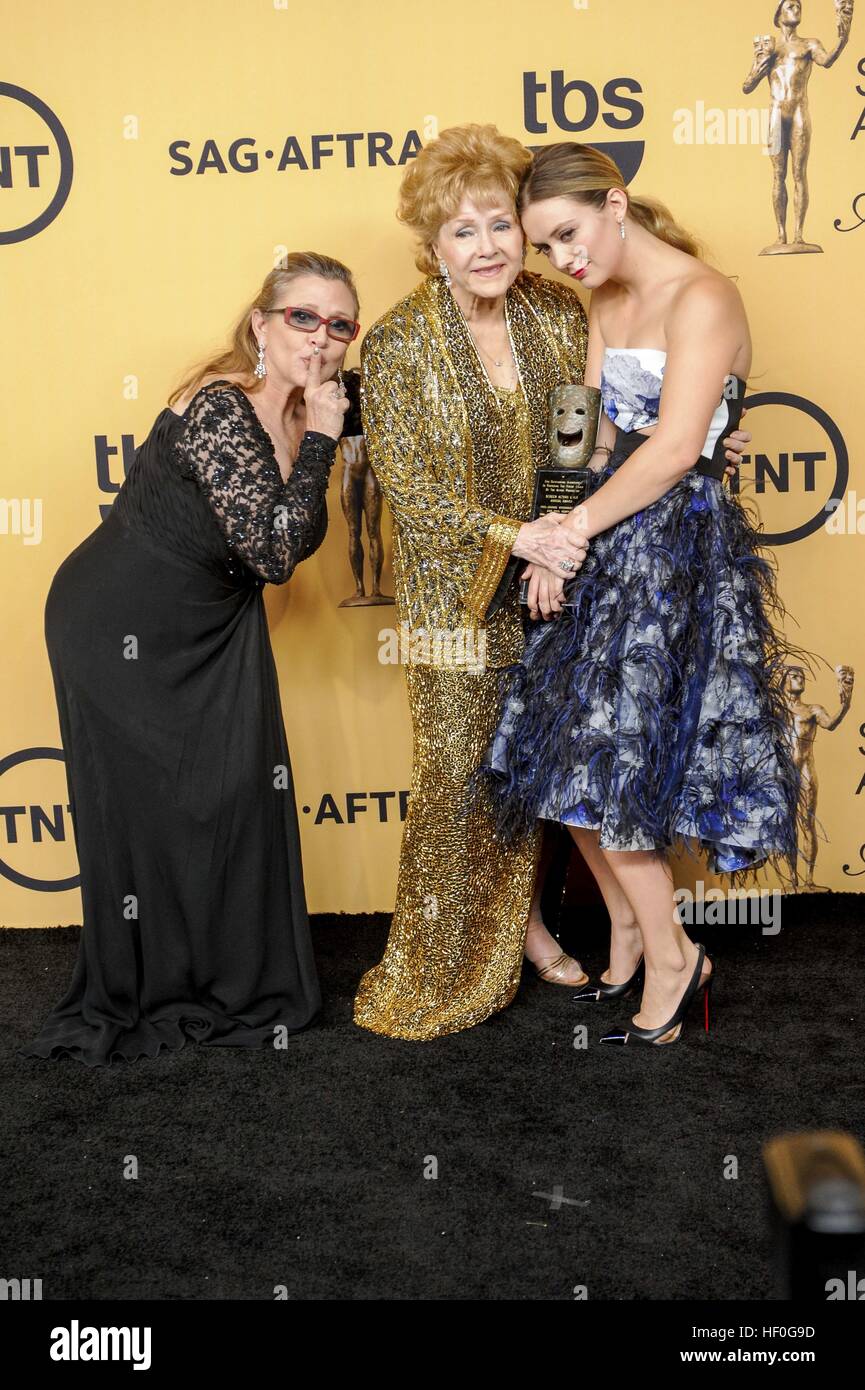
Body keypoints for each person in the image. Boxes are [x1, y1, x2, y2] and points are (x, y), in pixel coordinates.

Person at [352, 125, 752, 1041]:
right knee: (467, 773)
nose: (491, 247)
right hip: (464, 585)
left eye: (504, 226)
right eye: (464, 231)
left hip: (578, 562)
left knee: (562, 757)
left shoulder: (561, 305)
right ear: (431, 245)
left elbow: (599, 431)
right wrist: (534, 536)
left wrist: (568, 534)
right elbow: (413, 488)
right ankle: (497, 945)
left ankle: (631, 929)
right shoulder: (400, 342)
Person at [475, 142, 808, 1047]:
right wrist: (547, 539)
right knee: (558, 753)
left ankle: (673, 958)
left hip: (669, 550)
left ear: (615, 204)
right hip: (597, 538)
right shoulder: (604, 297)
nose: (565, 260)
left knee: (613, 764)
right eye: (546, 249)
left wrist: (573, 534)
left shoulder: (705, 296)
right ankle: (630, 927)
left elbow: (670, 451)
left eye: (570, 235)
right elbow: (582, 429)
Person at [19, 252, 358, 1066]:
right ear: (261, 326)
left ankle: (223, 975)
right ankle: (150, 985)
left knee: (227, 798)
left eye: (339, 323)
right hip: (121, 622)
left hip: (211, 629)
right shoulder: (222, 408)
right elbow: (275, 552)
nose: (319, 337)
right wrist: (319, 441)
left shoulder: (320, 408)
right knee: (150, 814)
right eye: (301, 317)